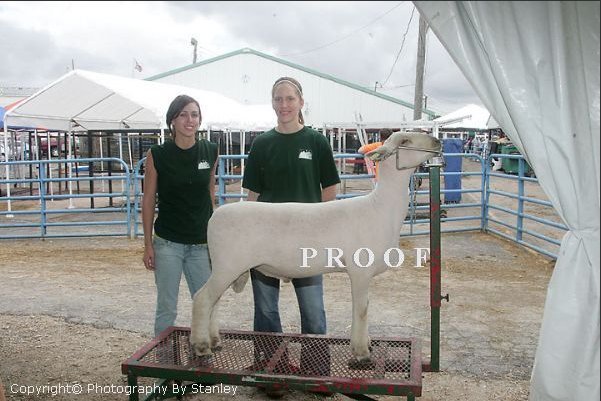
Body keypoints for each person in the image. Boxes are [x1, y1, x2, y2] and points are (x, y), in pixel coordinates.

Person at [242, 77, 340, 395]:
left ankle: (316, 372)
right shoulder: (261, 145)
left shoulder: (316, 142)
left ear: (300, 102)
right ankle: (274, 371)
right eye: (278, 99)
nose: (283, 105)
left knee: (313, 309)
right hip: (267, 241)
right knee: (266, 309)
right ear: (272, 103)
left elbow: (330, 188)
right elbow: (252, 195)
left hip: (307, 240)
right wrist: (250, 238)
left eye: (289, 99)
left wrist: (322, 229)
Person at [142, 94, 218, 337]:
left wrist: (214, 240)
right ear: (172, 120)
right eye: (183, 114)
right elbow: (148, 199)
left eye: (194, 114)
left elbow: (210, 194)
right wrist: (147, 245)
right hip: (168, 243)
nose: (190, 120)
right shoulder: (158, 154)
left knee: (207, 304)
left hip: (201, 243)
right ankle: (163, 366)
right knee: (166, 308)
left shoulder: (210, 151)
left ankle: (204, 361)